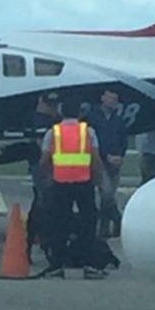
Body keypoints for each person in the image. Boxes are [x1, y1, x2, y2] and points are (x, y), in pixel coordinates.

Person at [37, 100, 104, 279]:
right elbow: (96, 159)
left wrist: (44, 179)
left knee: (59, 224)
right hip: (84, 182)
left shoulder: (53, 133)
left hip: (60, 183)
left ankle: (57, 265)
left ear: (60, 113)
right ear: (80, 114)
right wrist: (98, 179)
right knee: (88, 223)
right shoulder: (88, 132)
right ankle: (89, 264)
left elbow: (44, 160)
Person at [87, 87, 129, 238]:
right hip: (101, 160)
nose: (112, 102)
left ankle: (108, 225)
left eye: (114, 99)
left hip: (116, 160)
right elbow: (93, 141)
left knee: (110, 193)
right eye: (109, 98)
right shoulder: (92, 118)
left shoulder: (118, 120)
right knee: (106, 193)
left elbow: (124, 140)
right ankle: (115, 220)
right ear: (103, 98)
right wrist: (105, 156)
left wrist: (120, 156)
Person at [25, 92, 60, 261]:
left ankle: (31, 243)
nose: (52, 108)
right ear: (41, 102)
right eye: (49, 104)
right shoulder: (37, 121)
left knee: (40, 204)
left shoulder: (52, 121)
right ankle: (43, 244)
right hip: (42, 166)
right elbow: (42, 146)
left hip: (45, 166)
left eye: (53, 104)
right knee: (45, 206)